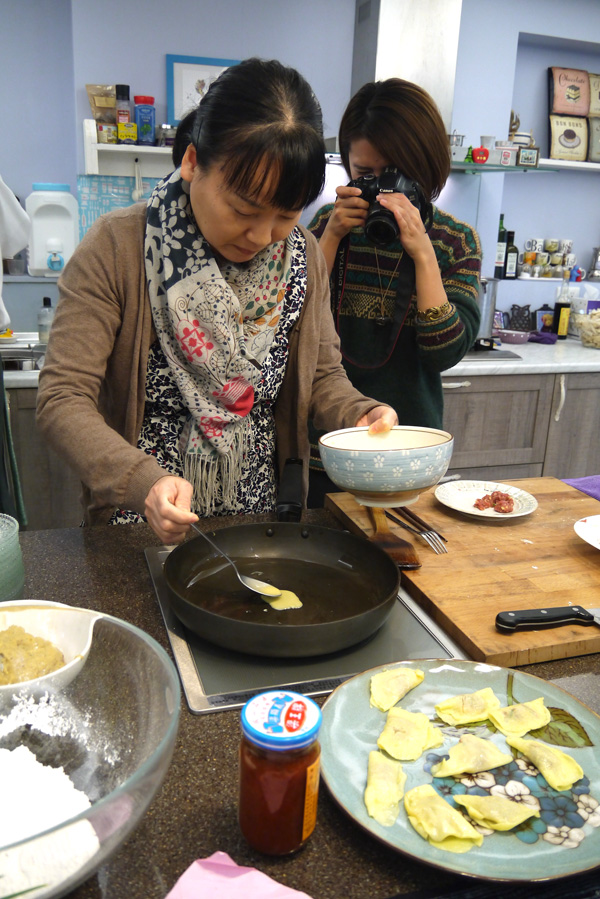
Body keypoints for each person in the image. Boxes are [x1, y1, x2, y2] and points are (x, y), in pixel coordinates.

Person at [36, 58, 396, 545]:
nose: (262, 235)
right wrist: (145, 482)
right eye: (243, 209)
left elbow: (322, 375)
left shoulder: (302, 256)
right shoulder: (118, 247)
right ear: (191, 162)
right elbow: (63, 399)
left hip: (260, 521)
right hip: (144, 521)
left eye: (286, 215)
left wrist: (360, 414)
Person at [307, 78, 481, 506]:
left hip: (408, 456)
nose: (382, 188)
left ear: (424, 166)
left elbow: (444, 352)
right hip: (322, 447)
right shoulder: (332, 222)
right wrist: (329, 238)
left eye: (394, 175)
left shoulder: (453, 241)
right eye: (364, 173)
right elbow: (291, 323)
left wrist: (423, 254)